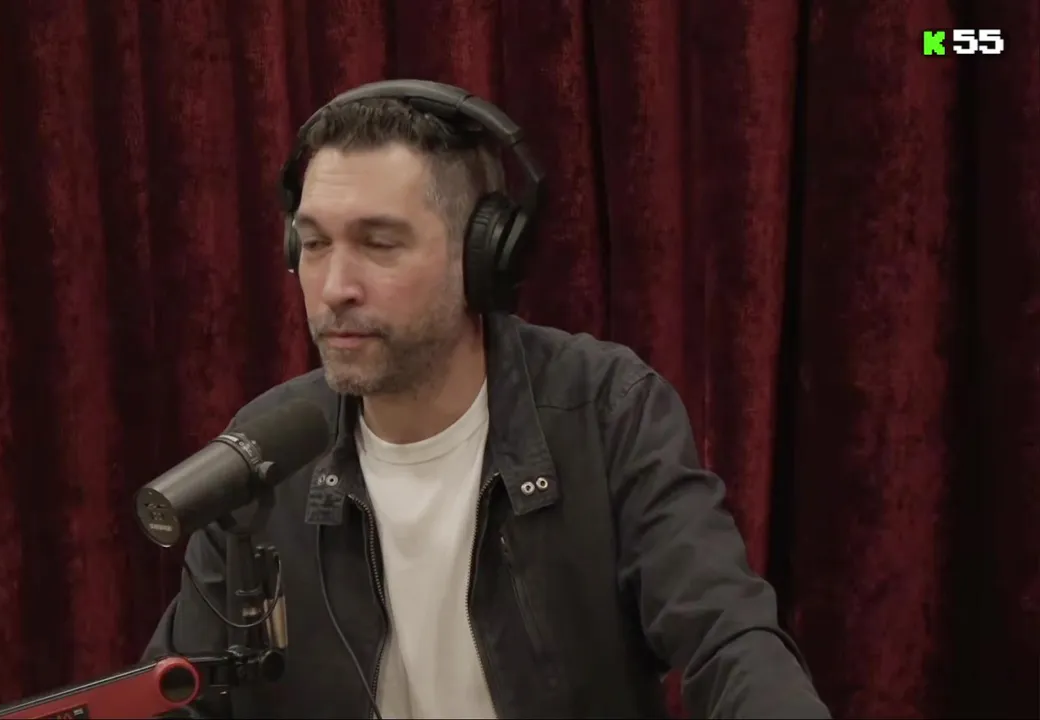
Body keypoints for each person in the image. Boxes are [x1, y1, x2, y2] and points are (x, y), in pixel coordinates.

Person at [143, 80, 830, 719]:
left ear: (481, 257)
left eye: (379, 243)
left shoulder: (607, 414)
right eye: (316, 244)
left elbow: (728, 637)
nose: (334, 287)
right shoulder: (265, 455)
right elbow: (176, 697)